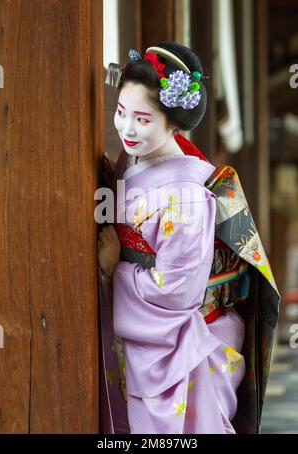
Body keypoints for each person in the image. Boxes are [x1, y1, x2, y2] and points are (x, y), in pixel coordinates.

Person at [97, 42, 280, 434]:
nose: (127, 129)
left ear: (173, 124)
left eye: (143, 120)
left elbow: (176, 291)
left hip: (179, 342)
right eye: (121, 112)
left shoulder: (188, 196)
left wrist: (118, 271)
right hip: (149, 332)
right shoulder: (135, 159)